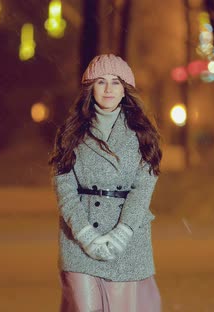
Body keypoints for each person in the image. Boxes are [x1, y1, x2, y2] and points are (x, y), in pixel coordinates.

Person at [49, 54, 162, 312]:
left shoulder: (143, 133)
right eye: (101, 82)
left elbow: (143, 189)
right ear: (91, 88)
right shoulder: (70, 132)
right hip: (79, 240)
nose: (109, 89)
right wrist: (85, 234)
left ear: (125, 90)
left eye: (116, 82)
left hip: (128, 241)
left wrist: (122, 233)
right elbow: (64, 188)